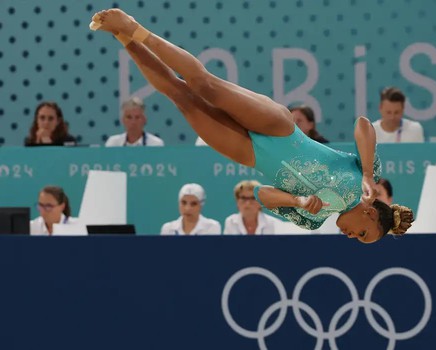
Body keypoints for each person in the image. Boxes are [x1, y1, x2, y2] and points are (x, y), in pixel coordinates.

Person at [91, 9, 414, 243]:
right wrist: (369, 173)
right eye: (361, 234)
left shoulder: (314, 221)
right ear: (370, 214)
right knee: (204, 85)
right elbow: (362, 125)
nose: (351, 235)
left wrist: (298, 201)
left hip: (249, 154)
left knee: (180, 96)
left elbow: (260, 194)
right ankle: (135, 27)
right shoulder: (365, 178)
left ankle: (123, 36)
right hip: (280, 130)